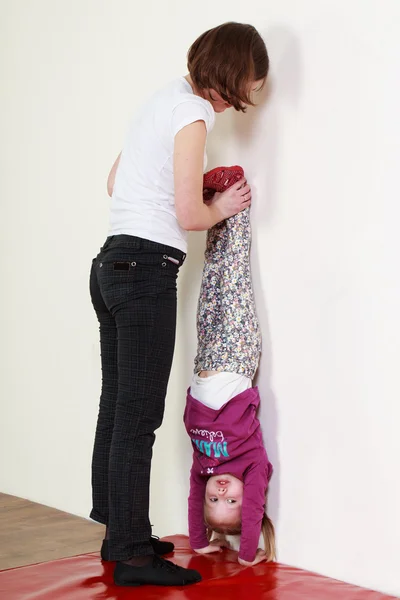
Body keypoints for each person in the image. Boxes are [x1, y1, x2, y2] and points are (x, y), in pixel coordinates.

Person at [89, 22, 269, 587]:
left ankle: (120, 533)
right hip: (144, 274)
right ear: (231, 75)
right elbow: (191, 217)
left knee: (117, 410)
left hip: (108, 267)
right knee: (137, 420)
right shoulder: (193, 114)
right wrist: (226, 203)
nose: (245, 99)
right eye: (249, 85)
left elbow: (115, 181)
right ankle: (133, 558)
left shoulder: (159, 100)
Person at [184, 167, 276, 566]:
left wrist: (200, 541)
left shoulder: (204, 467)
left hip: (205, 360)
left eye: (214, 499)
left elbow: (193, 496)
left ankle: (214, 207)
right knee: (234, 272)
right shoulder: (252, 463)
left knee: (213, 279)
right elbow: (254, 507)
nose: (222, 490)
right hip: (237, 357)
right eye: (231, 500)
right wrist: (248, 552)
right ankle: (234, 199)